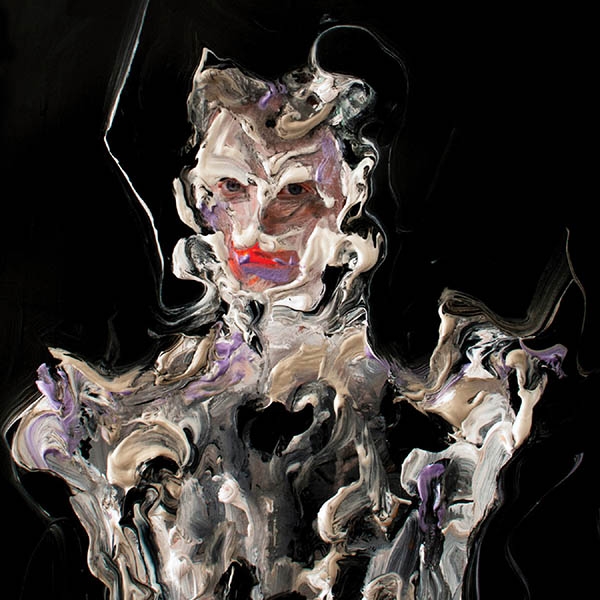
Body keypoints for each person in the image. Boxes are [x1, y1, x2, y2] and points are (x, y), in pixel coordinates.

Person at [9, 27, 567, 600]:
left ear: (351, 196)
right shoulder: (131, 420)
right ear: (196, 200)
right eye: (232, 187)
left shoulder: (446, 406)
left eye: (295, 194)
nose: (257, 228)